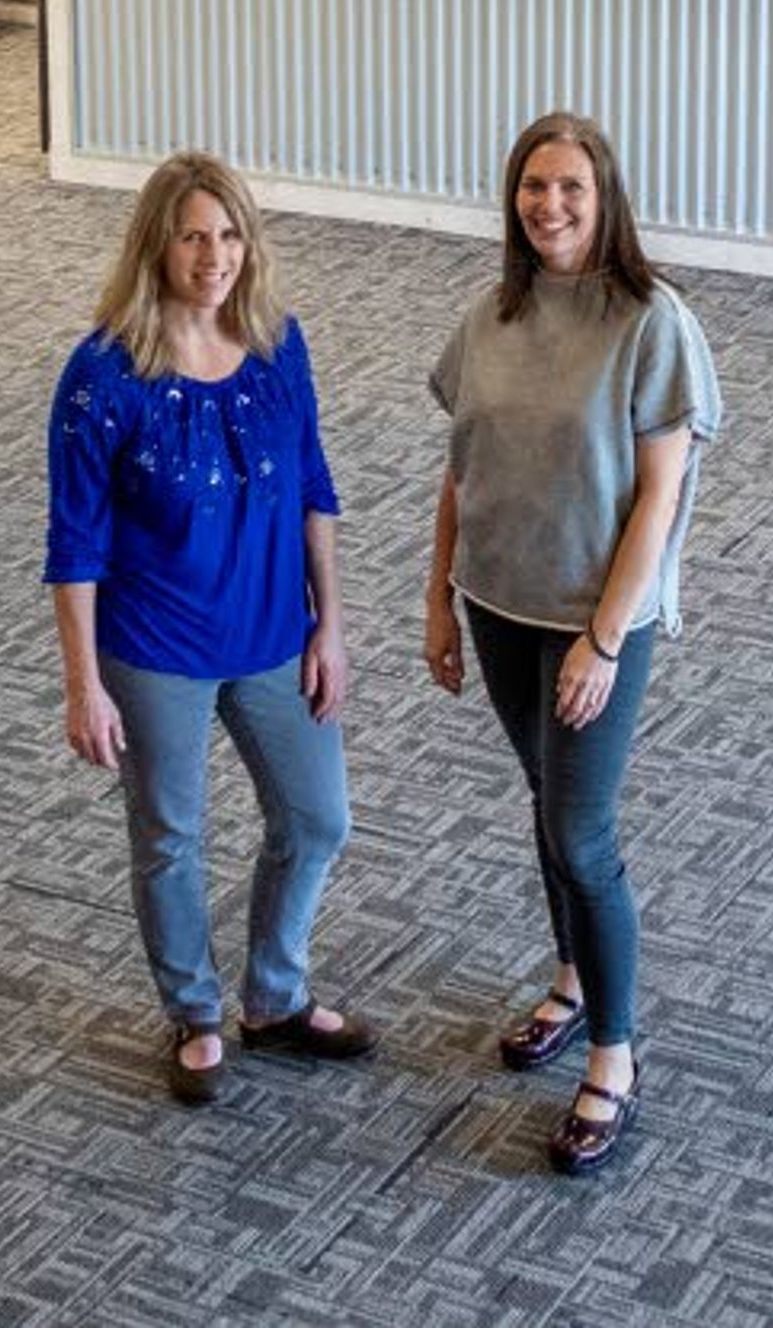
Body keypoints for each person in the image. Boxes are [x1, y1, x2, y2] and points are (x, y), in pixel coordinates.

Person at [423, 111, 723, 1174]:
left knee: (581, 833)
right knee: (544, 804)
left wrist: (603, 641)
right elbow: (461, 468)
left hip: (596, 622)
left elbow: (659, 500)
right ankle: (569, 976)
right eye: (534, 187)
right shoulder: (491, 313)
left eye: (572, 191)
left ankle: (614, 1055)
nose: (550, 206)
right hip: (500, 604)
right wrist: (437, 600)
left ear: (606, 203)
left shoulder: (651, 322)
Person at [45, 151, 378, 1106]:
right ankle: (193, 1013)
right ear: (158, 244)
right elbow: (74, 541)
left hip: (276, 631)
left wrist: (331, 626)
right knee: (169, 837)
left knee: (317, 818)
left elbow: (314, 488)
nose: (215, 256)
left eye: (230, 235)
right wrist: (83, 682)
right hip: (155, 647)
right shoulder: (103, 374)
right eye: (194, 235)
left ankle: (274, 998)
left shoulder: (279, 346)